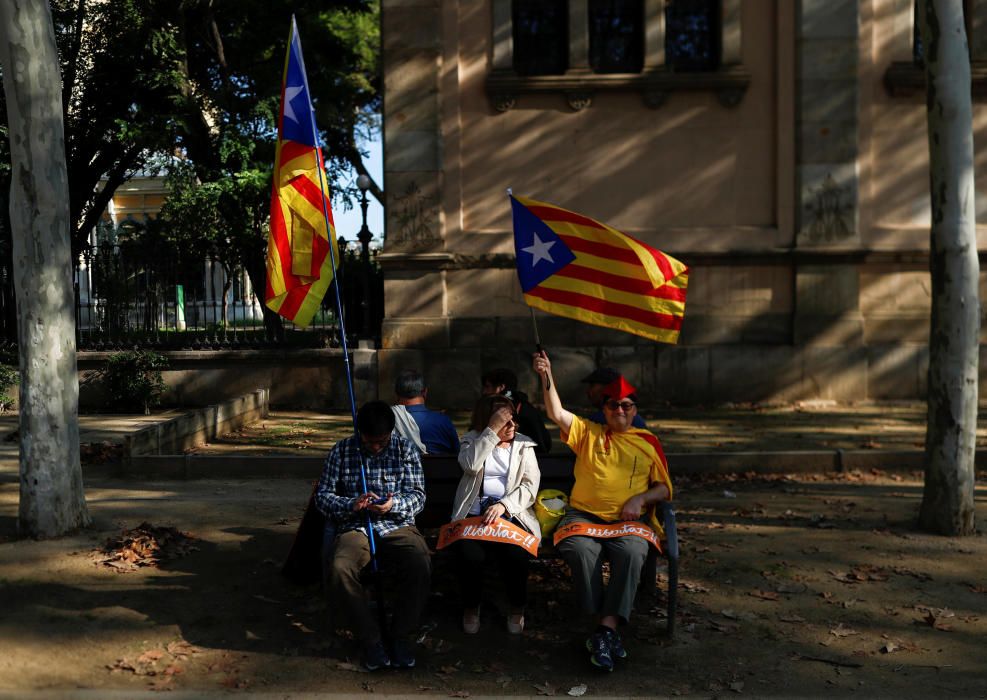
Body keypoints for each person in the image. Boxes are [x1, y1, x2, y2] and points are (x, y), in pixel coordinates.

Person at [532, 351, 672, 672]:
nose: (620, 410)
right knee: (579, 550)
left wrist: (640, 499)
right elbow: (555, 411)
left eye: (626, 405)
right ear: (603, 409)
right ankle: (602, 626)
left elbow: (664, 488)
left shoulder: (648, 442)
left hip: (627, 522)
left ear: (634, 409)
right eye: (612, 405)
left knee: (634, 552)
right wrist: (546, 375)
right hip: (583, 516)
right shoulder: (588, 433)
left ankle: (604, 630)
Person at [314, 400, 431, 671]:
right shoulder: (342, 451)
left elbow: (418, 496)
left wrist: (393, 505)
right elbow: (323, 497)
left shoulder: (405, 450)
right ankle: (370, 638)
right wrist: (350, 504)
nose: (376, 447)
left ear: (391, 432)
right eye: (370, 442)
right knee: (340, 567)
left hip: (397, 525)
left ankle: (400, 634)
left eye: (382, 441)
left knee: (419, 562)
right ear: (359, 433)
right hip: (355, 526)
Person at [451, 394, 542, 635]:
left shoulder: (524, 445)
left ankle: (517, 607)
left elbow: (530, 486)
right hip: (473, 515)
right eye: (503, 421)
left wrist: (504, 505)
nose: (511, 426)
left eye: (512, 419)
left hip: (511, 515)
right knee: (470, 555)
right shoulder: (472, 440)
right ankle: (471, 607)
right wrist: (491, 431)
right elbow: (470, 465)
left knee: (516, 554)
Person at [480, 367, 552, 454]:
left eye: (487, 387)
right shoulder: (521, 406)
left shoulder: (524, 413)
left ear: (501, 387)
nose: (484, 392)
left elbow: (542, 446)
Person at [391, 369, 459, 455]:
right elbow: (458, 454)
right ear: (425, 392)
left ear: (396, 394)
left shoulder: (388, 420)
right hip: (440, 467)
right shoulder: (443, 421)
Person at [581, 367, 647, 429]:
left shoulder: (597, 422)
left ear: (606, 389)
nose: (588, 391)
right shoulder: (636, 419)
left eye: (592, 385)